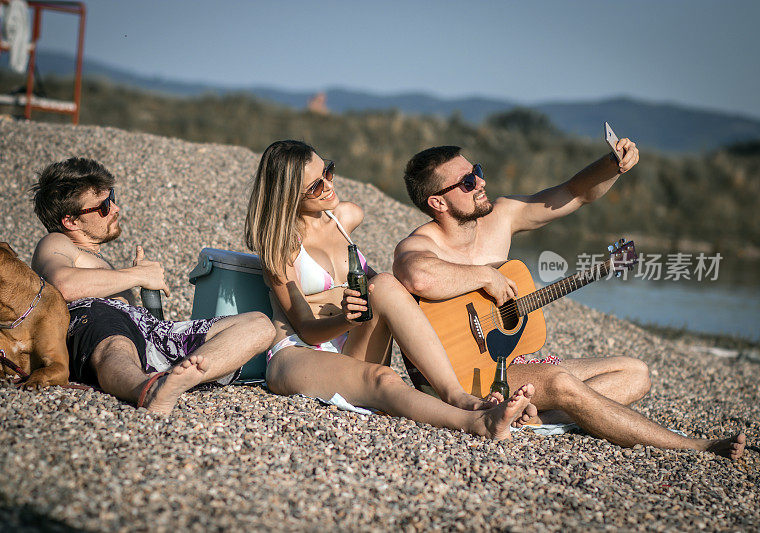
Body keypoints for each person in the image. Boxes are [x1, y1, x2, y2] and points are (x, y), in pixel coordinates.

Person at [392, 144, 746, 460]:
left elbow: (574, 193)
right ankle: (696, 447)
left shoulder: (501, 217)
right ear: (437, 202)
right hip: (455, 383)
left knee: (635, 372)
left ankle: (537, 420)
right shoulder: (423, 242)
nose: (481, 182)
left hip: (501, 366)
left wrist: (612, 166)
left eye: (478, 171)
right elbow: (418, 276)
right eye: (467, 182)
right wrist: (486, 276)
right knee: (560, 382)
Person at [244, 140, 536, 441]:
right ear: (288, 195)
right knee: (383, 378)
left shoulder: (345, 217)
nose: (329, 185)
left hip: (351, 343)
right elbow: (305, 329)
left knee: (383, 282)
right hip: (300, 353)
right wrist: (346, 318)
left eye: (328, 172)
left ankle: (457, 395)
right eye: (316, 187)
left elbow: (384, 293)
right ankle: (476, 423)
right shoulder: (280, 247)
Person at [31, 157, 275, 415]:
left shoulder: (101, 260)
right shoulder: (56, 242)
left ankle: (174, 379)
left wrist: (143, 289)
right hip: (93, 321)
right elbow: (62, 284)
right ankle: (146, 390)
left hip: (146, 331)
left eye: (111, 197)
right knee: (115, 346)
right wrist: (137, 275)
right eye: (102, 206)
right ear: (71, 222)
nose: (115, 208)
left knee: (260, 325)